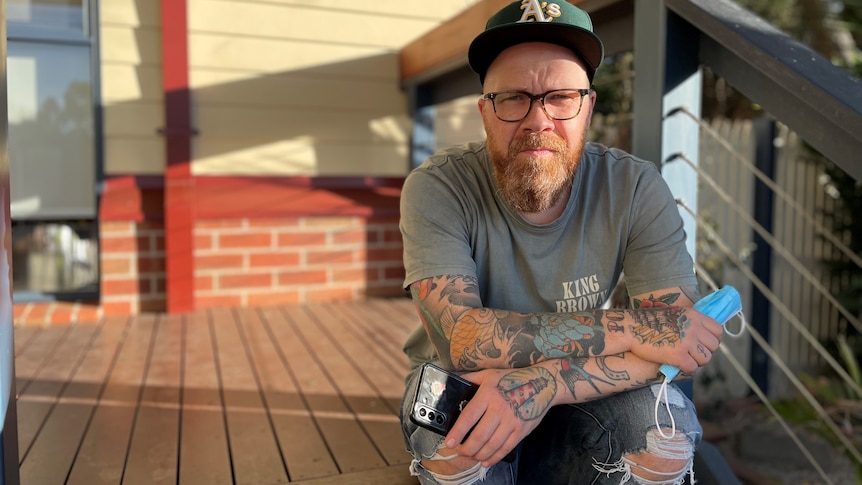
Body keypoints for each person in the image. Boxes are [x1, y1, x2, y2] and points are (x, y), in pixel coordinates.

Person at [398, 1, 724, 484]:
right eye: (513, 98)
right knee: (457, 451)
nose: (538, 120)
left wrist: (542, 383)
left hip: (580, 388)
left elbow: (679, 344)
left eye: (561, 97)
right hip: (468, 384)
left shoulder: (635, 186)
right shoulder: (438, 186)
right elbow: (462, 341)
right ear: (484, 112)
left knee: (661, 440)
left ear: (588, 105)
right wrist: (636, 329)